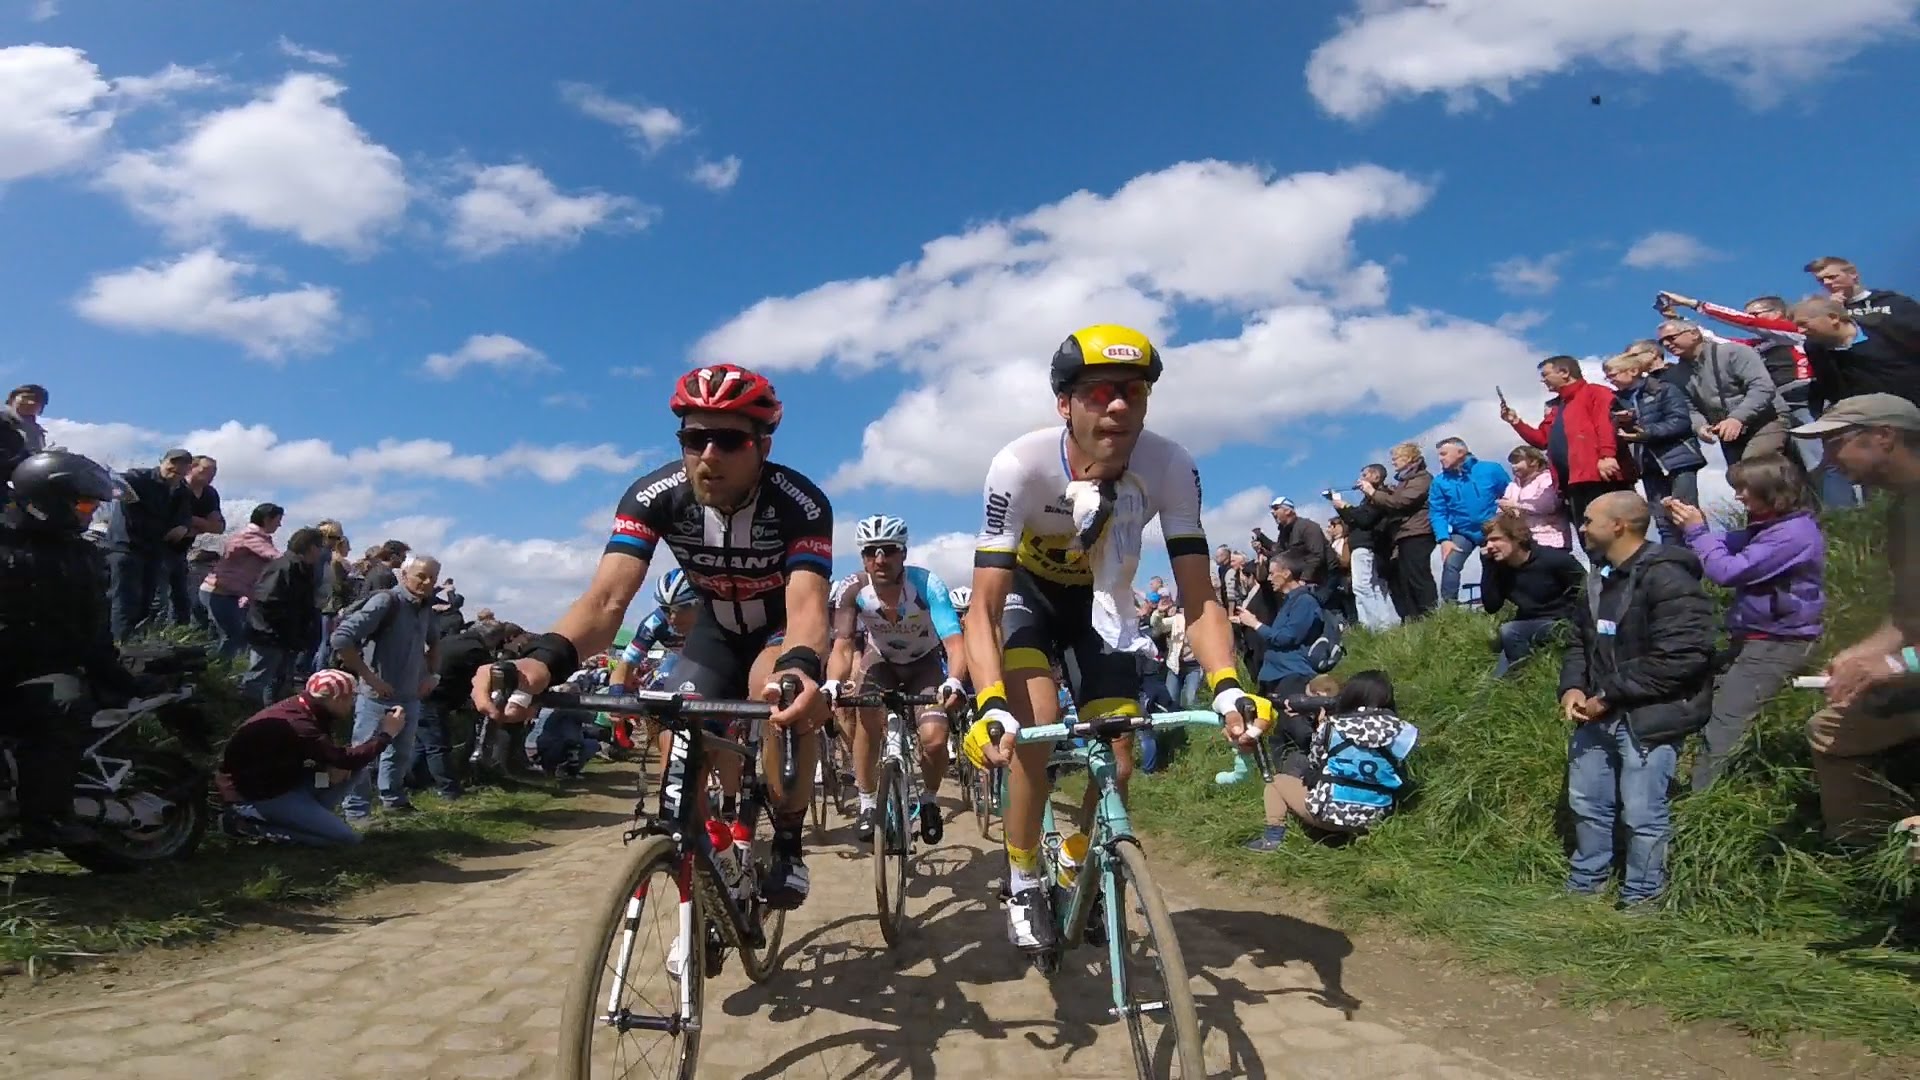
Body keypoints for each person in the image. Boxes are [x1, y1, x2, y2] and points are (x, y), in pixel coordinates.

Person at [472, 362, 833, 911]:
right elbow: (605, 602)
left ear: (762, 444)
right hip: (713, 631)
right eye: (694, 438)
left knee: (778, 697)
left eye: (728, 439)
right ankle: (700, 880)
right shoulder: (653, 495)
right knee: (674, 745)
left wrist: (801, 667)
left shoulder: (800, 502)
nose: (708, 454)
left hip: (777, 631)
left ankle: (787, 841)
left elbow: (807, 606)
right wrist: (538, 663)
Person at [959, 324, 1273, 955]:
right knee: (1034, 726)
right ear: (1065, 405)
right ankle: (1021, 875)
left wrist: (1228, 684)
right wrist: (990, 699)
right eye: (1098, 392)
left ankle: (1082, 855)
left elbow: (1199, 594)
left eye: (1133, 390)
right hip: (1028, 595)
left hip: (1100, 602)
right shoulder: (1020, 465)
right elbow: (984, 606)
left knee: (1119, 759)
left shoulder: (1171, 465)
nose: (1118, 405)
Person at [1560, 492, 1714, 909]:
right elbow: (1579, 642)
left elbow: (1684, 655)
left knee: (1643, 814)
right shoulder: (1598, 579)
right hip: (1596, 714)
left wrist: (1608, 694)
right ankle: (1585, 883)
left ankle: (1642, 897)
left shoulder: (1668, 577)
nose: (1582, 527)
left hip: (1650, 716)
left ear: (1618, 526)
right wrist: (1573, 687)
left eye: (1589, 519)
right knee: (1587, 803)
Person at [0, 452, 154, 839]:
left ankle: (45, 815)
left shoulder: (81, 555)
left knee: (62, 702)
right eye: (85, 503)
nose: (91, 513)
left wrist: (115, 675)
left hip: (38, 670)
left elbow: (94, 631)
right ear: (48, 499)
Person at [1789, 395, 1920, 844]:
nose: (1827, 460)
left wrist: (1898, 666)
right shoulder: (1905, 510)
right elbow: (1908, 614)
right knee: (1832, 731)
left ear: (1884, 436)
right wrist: (1863, 653)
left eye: (1836, 442)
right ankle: (1872, 857)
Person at [1664, 455, 1825, 789]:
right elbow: (1719, 545)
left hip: (1777, 642)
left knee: (1726, 722)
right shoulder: (1771, 529)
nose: (1738, 496)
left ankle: (1702, 800)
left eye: (1744, 489)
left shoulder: (1791, 536)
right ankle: (1691, 781)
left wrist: (1696, 532)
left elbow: (1727, 571)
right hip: (1758, 638)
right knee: (1701, 699)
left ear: (1771, 491)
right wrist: (1693, 528)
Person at [826, 514, 968, 845]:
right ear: (862, 556)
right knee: (868, 723)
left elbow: (954, 642)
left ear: (903, 553)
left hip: (924, 664)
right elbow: (844, 645)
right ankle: (866, 801)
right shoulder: (852, 589)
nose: (880, 559)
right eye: (871, 551)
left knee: (934, 740)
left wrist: (956, 679)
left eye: (889, 550)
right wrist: (833, 682)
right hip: (881, 662)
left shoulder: (927, 584)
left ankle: (929, 800)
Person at [217, 670, 408, 846]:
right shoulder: (301, 724)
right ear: (336, 699)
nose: (352, 703)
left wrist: (329, 765)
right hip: (261, 796)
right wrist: (386, 735)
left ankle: (309, 819)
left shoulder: (304, 707)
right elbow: (345, 759)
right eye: (351, 697)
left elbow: (338, 760)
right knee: (348, 839)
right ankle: (251, 826)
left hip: (283, 782)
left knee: (352, 770)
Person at [1243, 671, 1416, 853]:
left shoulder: (1333, 725)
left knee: (1276, 783)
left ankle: (1272, 838)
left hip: (1329, 815)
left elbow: (1315, 764)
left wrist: (1320, 727)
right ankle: (1360, 834)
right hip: (1378, 816)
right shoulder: (1402, 730)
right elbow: (1401, 768)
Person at [331, 554, 444, 819]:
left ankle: (394, 801)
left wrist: (432, 676)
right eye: (421, 576)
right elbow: (341, 639)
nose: (427, 582)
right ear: (404, 575)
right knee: (363, 753)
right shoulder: (386, 601)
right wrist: (369, 678)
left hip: (409, 695)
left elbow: (435, 643)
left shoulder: (424, 606)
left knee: (400, 753)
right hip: (376, 697)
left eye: (433, 578)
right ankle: (356, 811)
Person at [1504, 355, 1636, 531]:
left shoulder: (1596, 392)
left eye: (1546, 375)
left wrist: (1607, 455)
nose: (1543, 380)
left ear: (1565, 372)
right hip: (1571, 483)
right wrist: (1515, 422)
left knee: (1611, 529)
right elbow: (1542, 440)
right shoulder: (1557, 406)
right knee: (1588, 535)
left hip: (1600, 477)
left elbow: (1605, 424)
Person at [1604, 353, 1706, 546]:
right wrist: (1623, 423)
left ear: (1633, 371)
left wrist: (1647, 433)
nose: (1611, 380)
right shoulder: (1616, 401)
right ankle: (1675, 567)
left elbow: (1680, 421)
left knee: (1685, 512)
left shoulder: (1663, 390)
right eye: (1607, 377)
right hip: (1648, 464)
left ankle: (1703, 563)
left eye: (1613, 374)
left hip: (1678, 460)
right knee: (1662, 520)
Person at [1478, 513, 1584, 676]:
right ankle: (1514, 691)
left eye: (1496, 539)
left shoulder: (1554, 559)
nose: (1489, 546)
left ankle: (1527, 677)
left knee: (1510, 630)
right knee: (1495, 683)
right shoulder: (1500, 568)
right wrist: (1488, 567)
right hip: (1527, 625)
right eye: (1486, 542)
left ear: (1516, 537)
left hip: (1560, 623)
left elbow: (1585, 589)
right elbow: (1492, 606)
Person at [1428, 437, 1510, 604]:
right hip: (1462, 532)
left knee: (1493, 566)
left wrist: (1506, 522)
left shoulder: (1490, 469)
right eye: (1439, 455)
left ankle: (1497, 604)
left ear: (1461, 452)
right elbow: (1438, 512)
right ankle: (1449, 609)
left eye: (1444, 454)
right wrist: (1444, 539)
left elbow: (1509, 493)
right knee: (1451, 563)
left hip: (1491, 527)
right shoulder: (1439, 482)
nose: (1440, 458)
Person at [1233, 553, 1327, 699]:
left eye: (1272, 573)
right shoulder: (1289, 601)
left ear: (1286, 573)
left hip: (1292, 675)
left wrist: (1255, 623)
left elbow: (1286, 637)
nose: (1269, 579)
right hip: (1274, 675)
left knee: (1291, 720)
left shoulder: (1304, 602)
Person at [1362, 443, 1439, 619]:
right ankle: (1416, 620)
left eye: (1396, 458)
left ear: (1409, 458)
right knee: (1406, 580)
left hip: (1418, 532)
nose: (1393, 462)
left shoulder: (1421, 478)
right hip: (1406, 533)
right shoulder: (1406, 481)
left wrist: (1373, 493)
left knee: (1418, 577)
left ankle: (1432, 616)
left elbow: (1401, 502)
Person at [1496, 446, 1570, 549]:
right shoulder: (1513, 485)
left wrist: (1516, 506)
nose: (1513, 467)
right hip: (1522, 542)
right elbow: (1501, 509)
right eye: (1512, 463)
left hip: (1551, 540)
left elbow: (1547, 505)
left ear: (1533, 461)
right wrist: (1509, 511)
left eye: (1517, 462)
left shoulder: (1548, 479)